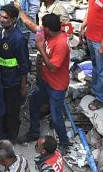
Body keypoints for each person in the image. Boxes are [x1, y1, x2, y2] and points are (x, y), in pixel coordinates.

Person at [25, 14, 71, 149]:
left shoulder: (61, 43)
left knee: (56, 118)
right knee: (33, 103)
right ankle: (34, 132)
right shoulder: (49, 34)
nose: (41, 29)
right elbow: (34, 27)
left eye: (43, 27)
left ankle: (64, 143)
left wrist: (40, 49)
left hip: (57, 86)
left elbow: (53, 67)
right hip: (45, 82)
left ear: (49, 29)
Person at [0, 4, 30, 141]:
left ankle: (11, 138)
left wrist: (23, 85)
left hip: (12, 82)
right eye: (1, 16)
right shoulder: (0, 32)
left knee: (12, 112)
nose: (2, 20)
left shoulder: (18, 39)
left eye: (6, 18)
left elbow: (24, 64)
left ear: (14, 19)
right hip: (2, 79)